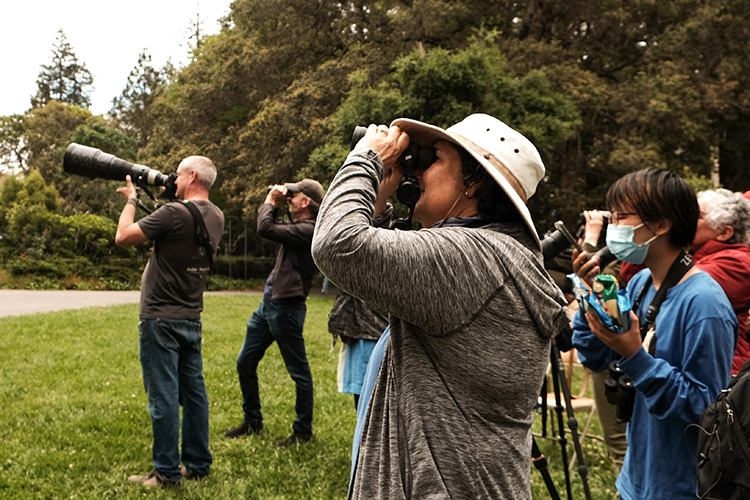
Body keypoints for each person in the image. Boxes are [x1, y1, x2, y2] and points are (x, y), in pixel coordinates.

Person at [311, 115, 570, 499]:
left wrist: (366, 159)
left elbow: (337, 244)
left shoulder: (474, 259)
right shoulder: (496, 257)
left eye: (432, 160)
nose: (418, 169)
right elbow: (386, 283)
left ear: (474, 181)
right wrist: (381, 195)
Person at [572, 167, 737, 500]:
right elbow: (596, 357)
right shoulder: (640, 282)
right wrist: (589, 298)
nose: (613, 228)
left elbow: (704, 411)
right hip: (635, 480)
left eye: (621, 217)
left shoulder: (705, 305)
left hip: (680, 488)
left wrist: (636, 358)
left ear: (662, 224)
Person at [115, 156, 224, 487]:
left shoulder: (173, 213)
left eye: (177, 175)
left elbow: (123, 236)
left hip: (159, 318)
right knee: (194, 395)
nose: (172, 180)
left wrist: (132, 201)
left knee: (162, 397)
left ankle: (165, 471)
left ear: (191, 176)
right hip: (191, 317)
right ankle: (198, 463)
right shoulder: (217, 216)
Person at [225, 178, 324, 448]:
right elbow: (273, 229)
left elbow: (265, 227)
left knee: (299, 372)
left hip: (287, 307)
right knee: (245, 362)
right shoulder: (297, 227)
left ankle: (303, 431)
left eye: (295, 195)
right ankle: (252, 421)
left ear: (307, 203)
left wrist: (271, 202)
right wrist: (277, 205)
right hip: (268, 305)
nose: (289, 197)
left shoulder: (310, 229)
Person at [692, 188, 750, 374]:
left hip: (725, 375)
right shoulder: (696, 256)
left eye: (696, 215)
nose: (685, 219)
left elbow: (676, 285)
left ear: (724, 233)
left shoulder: (738, 263)